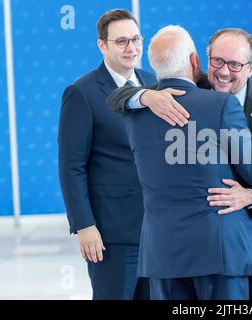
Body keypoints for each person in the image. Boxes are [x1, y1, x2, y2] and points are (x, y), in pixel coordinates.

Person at [107, 28, 252, 300]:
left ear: (251, 67)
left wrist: (251, 196)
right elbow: (117, 98)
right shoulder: (177, 92)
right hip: (216, 247)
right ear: (201, 60)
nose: (224, 71)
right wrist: (144, 97)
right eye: (218, 61)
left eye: (235, 64)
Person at [58, 9, 188, 300]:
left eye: (136, 39)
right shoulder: (82, 93)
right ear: (102, 45)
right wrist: (84, 226)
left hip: (156, 228)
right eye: (121, 42)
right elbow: (71, 166)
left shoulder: (153, 82)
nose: (131, 48)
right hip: (111, 233)